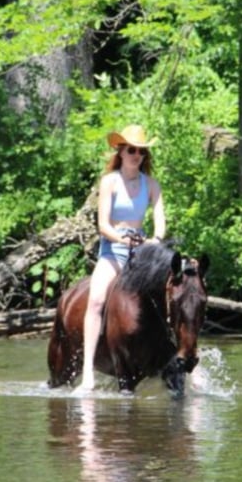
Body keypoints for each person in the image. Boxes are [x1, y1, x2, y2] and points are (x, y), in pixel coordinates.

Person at [75, 124, 166, 392]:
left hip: (143, 250)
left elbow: (160, 221)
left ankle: (188, 363)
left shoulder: (152, 185)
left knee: (175, 297)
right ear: (121, 151)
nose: (136, 154)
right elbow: (103, 225)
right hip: (113, 249)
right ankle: (88, 372)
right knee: (96, 300)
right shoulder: (109, 182)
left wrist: (156, 240)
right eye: (131, 150)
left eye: (140, 150)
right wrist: (120, 238)